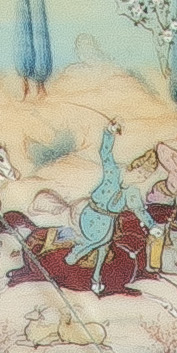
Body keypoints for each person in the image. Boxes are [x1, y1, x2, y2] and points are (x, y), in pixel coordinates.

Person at [66, 122, 153, 293]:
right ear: (134, 167)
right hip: (92, 214)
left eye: (146, 176)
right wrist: (109, 132)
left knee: (105, 247)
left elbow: (139, 211)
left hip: (109, 221)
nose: (142, 178)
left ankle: (96, 277)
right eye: (141, 173)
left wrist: (152, 225)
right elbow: (105, 153)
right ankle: (75, 253)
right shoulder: (113, 172)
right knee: (100, 238)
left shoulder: (133, 192)